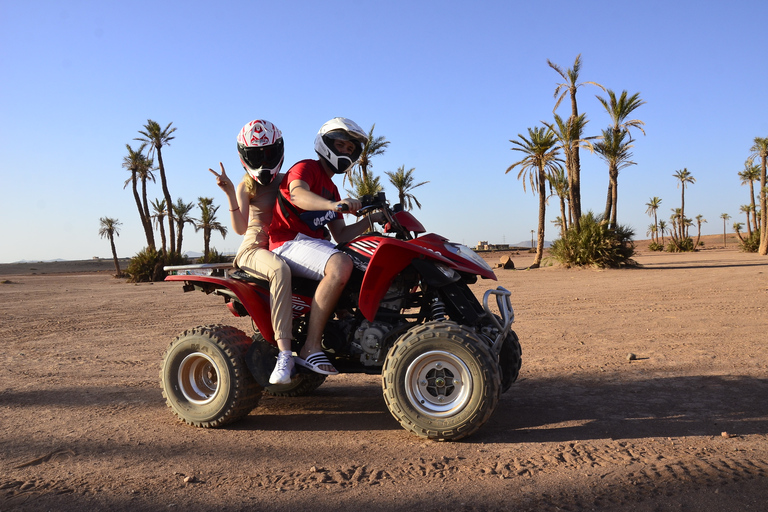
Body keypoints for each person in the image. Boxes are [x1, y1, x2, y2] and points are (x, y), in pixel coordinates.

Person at [269, 117, 380, 376]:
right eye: (341, 145)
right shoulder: (306, 168)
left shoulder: (332, 188)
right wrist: (331, 205)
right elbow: (297, 194)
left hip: (314, 245)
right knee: (341, 264)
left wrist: (371, 219)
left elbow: (341, 234)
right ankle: (310, 347)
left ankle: (349, 329)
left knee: (361, 260)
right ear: (326, 144)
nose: (345, 152)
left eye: (350, 149)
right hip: (287, 242)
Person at [209, 119, 294, 385]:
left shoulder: (287, 179)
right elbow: (240, 227)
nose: (263, 160)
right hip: (254, 248)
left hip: (284, 245)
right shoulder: (247, 185)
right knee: (280, 271)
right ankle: (285, 354)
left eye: (268, 153)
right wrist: (229, 193)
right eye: (257, 155)